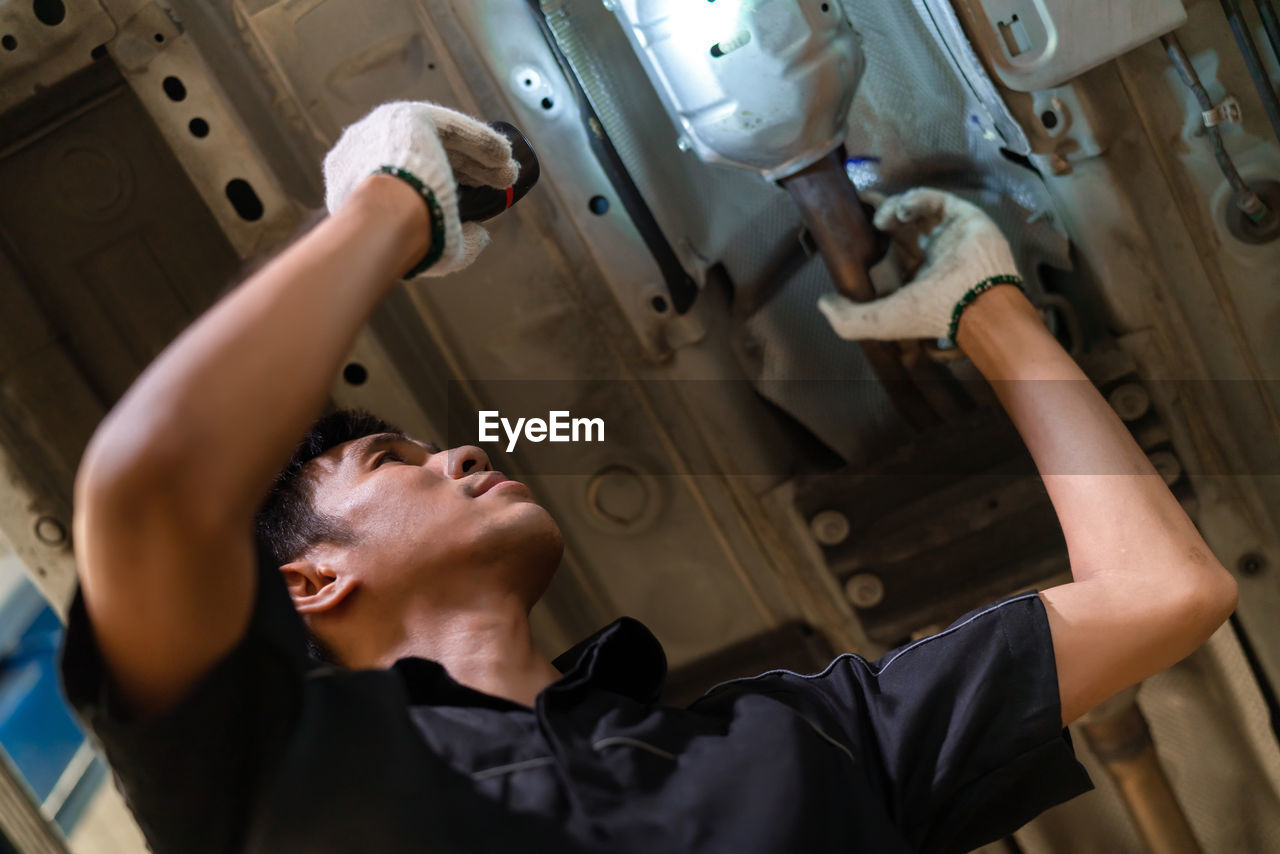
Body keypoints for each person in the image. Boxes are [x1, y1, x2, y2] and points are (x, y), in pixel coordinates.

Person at [60, 101, 1237, 854]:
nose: (464, 453)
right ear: (307, 581)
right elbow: (149, 488)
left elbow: (1161, 592)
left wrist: (988, 316)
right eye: (393, 459)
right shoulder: (270, 777)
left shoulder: (801, 737)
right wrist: (389, 208)